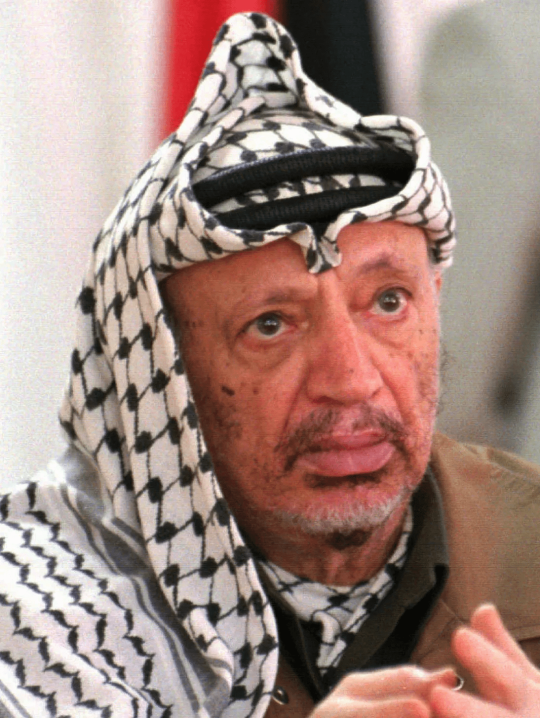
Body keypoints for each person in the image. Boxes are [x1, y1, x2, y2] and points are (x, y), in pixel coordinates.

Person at [0, 11, 540, 718]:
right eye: (271, 325)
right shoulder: (39, 607)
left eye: (387, 302)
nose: (351, 380)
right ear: (164, 370)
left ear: (436, 299)